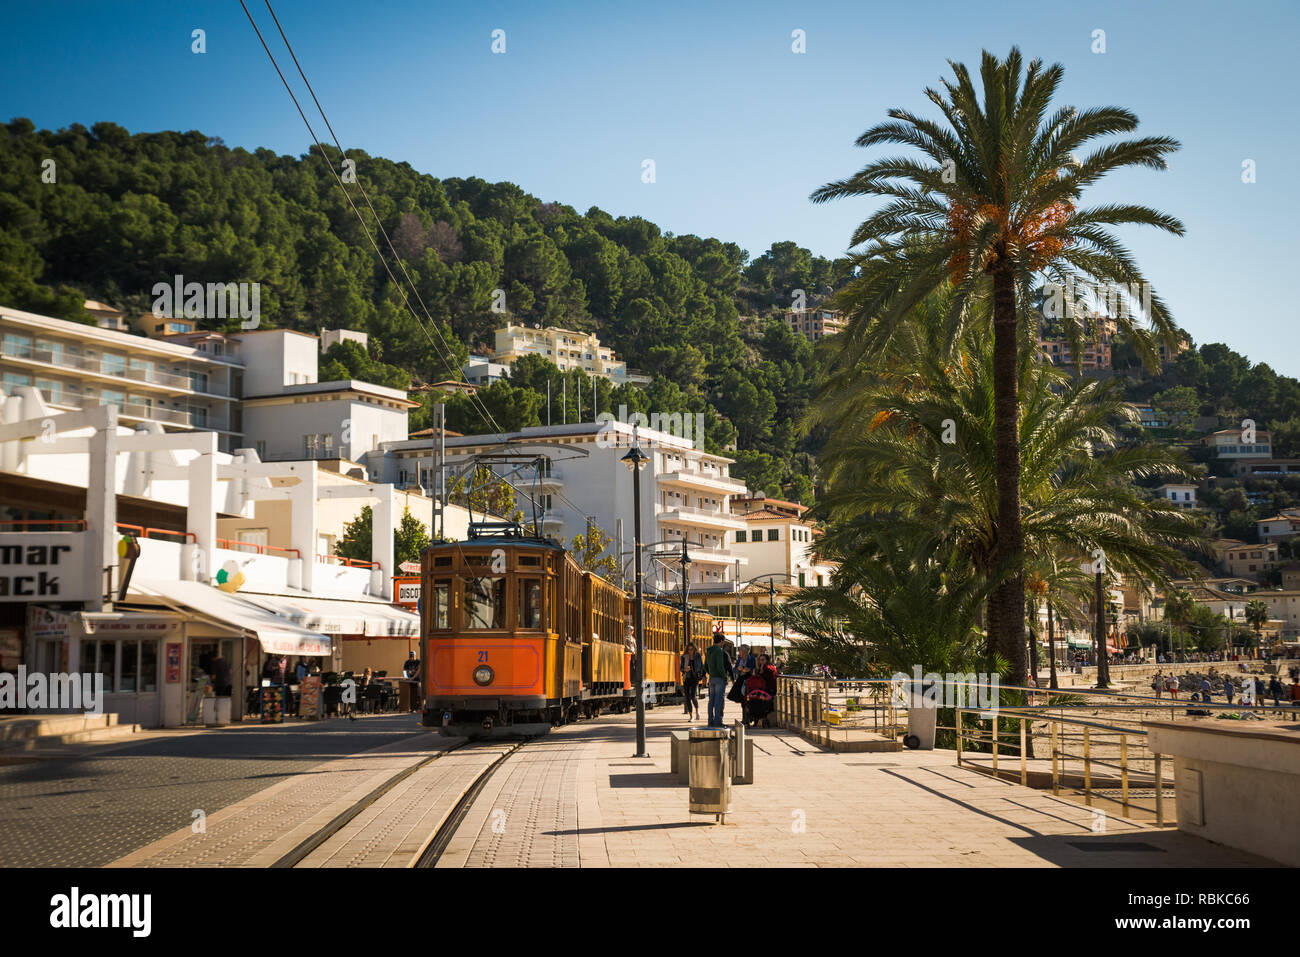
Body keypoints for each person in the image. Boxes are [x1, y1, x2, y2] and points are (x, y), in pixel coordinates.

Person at [704, 632, 733, 727]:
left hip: (711, 678)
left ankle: (710, 720)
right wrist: (724, 676)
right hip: (719, 679)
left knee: (711, 701)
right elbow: (720, 666)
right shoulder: (719, 651)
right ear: (721, 641)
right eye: (723, 642)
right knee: (718, 701)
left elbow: (706, 666)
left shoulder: (709, 651)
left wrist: (710, 673)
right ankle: (717, 721)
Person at [680, 642, 703, 720]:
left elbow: (701, 667)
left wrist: (703, 676)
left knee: (693, 696)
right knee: (687, 697)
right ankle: (691, 716)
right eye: (689, 649)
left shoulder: (698, 656)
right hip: (686, 678)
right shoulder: (684, 657)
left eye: (692, 649)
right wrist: (684, 669)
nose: (690, 651)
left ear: (694, 649)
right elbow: (681, 668)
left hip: (695, 678)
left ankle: (697, 711)